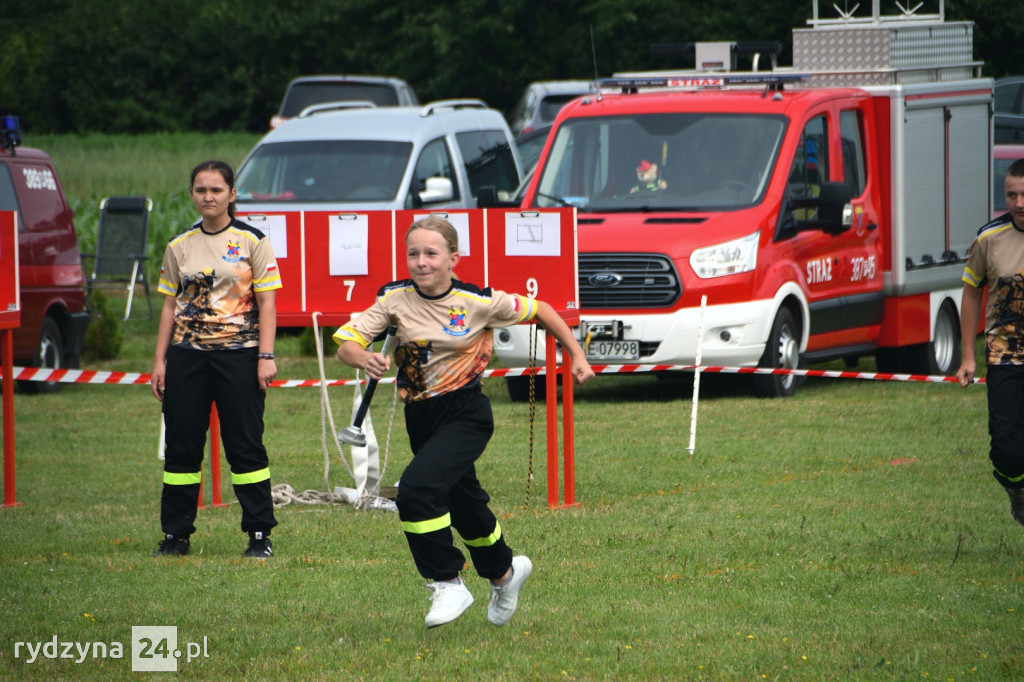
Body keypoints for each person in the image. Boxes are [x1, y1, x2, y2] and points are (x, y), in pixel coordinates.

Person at [333, 216, 595, 628]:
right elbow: (347, 342)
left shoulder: (478, 301)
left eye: (431, 253)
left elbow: (542, 309)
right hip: (420, 417)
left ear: (453, 258)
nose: (421, 262)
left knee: (416, 490)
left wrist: (576, 355)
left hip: (466, 413)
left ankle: (447, 580)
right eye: (413, 253)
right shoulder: (393, 300)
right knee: (464, 504)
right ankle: (505, 573)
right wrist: (363, 357)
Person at [151, 160, 282, 558]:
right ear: (192, 193)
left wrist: (266, 355)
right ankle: (176, 536)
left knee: (244, 445)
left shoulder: (252, 240)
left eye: (216, 190)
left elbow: (267, 302)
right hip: (186, 357)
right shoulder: (179, 245)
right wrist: (160, 362)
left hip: (240, 356)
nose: (208, 197)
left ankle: (259, 534)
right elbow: (170, 306)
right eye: (200, 190)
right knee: (182, 447)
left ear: (232, 194)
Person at [957, 157, 1024, 528]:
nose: (1019, 203)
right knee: (1006, 451)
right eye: (1011, 195)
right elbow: (970, 294)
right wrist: (968, 355)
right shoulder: (988, 239)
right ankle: (1017, 491)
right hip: (1004, 357)